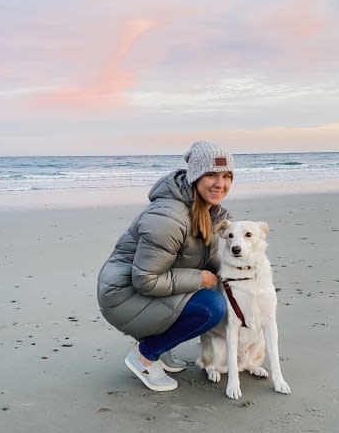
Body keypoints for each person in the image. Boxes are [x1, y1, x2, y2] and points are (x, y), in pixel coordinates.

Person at [97, 141, 235, 391]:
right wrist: (200, 278)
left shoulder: (212, 213)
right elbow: (146, 280)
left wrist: (243, 271)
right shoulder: (169, 217)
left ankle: (163, 347)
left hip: (149, 286)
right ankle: (146, 355)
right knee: (211, 306)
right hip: (123, 294)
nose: (220, 183)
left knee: (222, 289)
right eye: (211, 175)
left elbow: (212, 260)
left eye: (226, 176)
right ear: (195, 177)